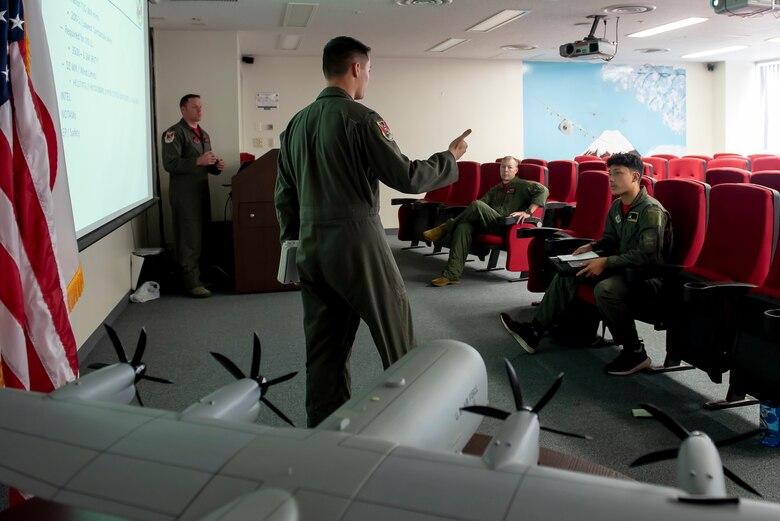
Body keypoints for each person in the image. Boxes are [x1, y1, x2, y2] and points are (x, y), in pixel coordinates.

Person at [275, 36, 471, 427]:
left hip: (310, 246)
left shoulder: (295, 124)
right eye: (369, 70)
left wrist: (293, 244)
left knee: (324, 351)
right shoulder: (361, 119)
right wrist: (450, 157)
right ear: (355, 69)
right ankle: (414, 426)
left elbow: (284, 194)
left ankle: (324, 435)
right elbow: (407, 176)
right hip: (357, 240)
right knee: (397, 339)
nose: (368, 78)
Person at [500, 152, 672, 376]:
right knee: (570, 272)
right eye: (610, 174)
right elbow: (611, 241)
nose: (611, 179)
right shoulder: (617, 207)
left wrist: (605, 262)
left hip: (646, 276)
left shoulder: (651, 210)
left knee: (605, 289)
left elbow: (647, 256)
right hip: (621, 267)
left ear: (635, 177)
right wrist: (593, 247)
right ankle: (534, 331)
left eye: (618, 173)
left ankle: (635, 352)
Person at [422, 156, 548, 287]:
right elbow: (480, 206)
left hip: (506, 225)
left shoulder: (523, 185)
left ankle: (446, 227)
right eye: (503, 167)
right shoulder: (496, 189)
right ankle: (451, 275)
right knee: (463, 227)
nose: (505, 170)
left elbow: (543, 190)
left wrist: (528, 212)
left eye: (509, 167)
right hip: (489, 223)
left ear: (516, 170)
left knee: (476, 205)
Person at [161, 94, 224, 298]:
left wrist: (216, 166)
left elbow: (205, 163)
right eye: (195, 107)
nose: (199, 111)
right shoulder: (174, 133)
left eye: (201, 107)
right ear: (183, 109)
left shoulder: (203, 134)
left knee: (203, 235)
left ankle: (201, 277)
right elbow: (170, 164)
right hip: (185, 195)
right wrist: (199, 161)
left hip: (201, 192)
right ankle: (190, 282)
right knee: (189, 238)